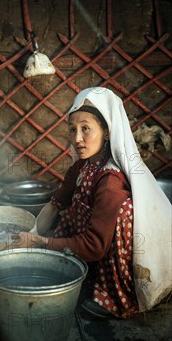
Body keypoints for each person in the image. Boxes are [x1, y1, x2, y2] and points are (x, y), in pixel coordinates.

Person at [11, 86, 172, 319]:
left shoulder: (110, 181)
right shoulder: (81, 167)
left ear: (106, 132)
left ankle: (118, 299)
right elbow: (56, 204)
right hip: (94, 246)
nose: (77, 138)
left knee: (121, 215)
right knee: (65, 211)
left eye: (86, 129)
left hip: (121, 259)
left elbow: (95, 246)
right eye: (72, 129)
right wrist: (32, 234)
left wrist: (38, 242)